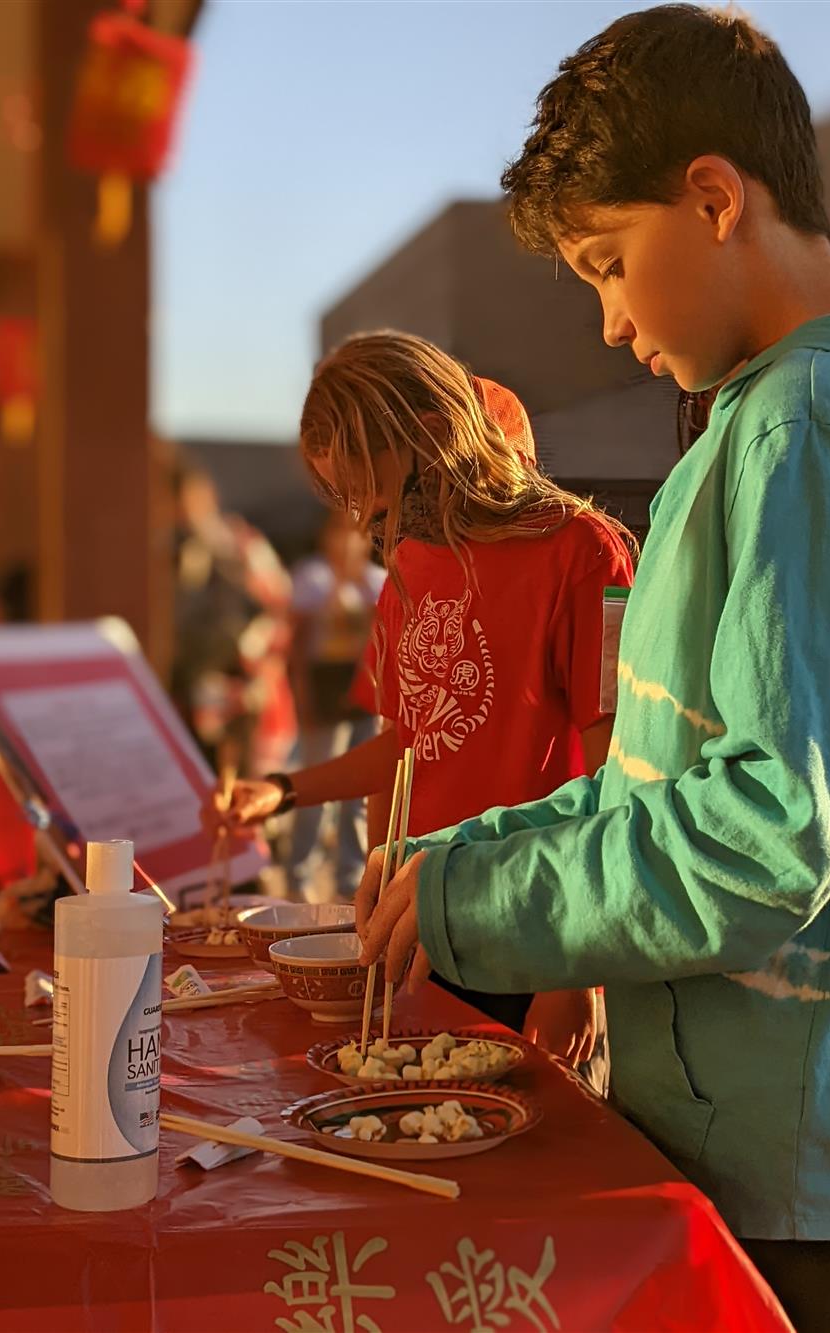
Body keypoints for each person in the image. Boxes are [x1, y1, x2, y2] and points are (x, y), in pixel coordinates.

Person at [356, 8, 830, 1332]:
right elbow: (671, 772)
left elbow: (770, 827)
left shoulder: (807, 427)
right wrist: (465, 853)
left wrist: (484, 889)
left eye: (605, 262)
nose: (606, 321)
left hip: (787, 1149)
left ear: (712, 199)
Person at [205, 331, 634, 1066]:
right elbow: (405, 749)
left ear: (434, 439)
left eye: (376, 493)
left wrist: (580, 970)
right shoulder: (410, 560)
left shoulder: (584, 552)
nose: (368, 523)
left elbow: (618, 781)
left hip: (536, 930)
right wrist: (284, 792)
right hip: (418, 933)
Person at [171, 465, 296, 777]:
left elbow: (277, 601)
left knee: (245, 774)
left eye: (194, 500)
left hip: (243, 672)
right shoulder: (175, 548)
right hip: (195, 676)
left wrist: (263, 661)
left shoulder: (240, 542)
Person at [287, 513, 385, 899]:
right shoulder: (312, 577)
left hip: (363, 692)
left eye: (353, 535)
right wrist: (301, 699)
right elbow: (299, 643)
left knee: (359, 795)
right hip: (325, 691)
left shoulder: (375, 582)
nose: (346, 543)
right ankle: (299, 874)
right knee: (316, 786)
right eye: (339, 534)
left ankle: (350, 876)